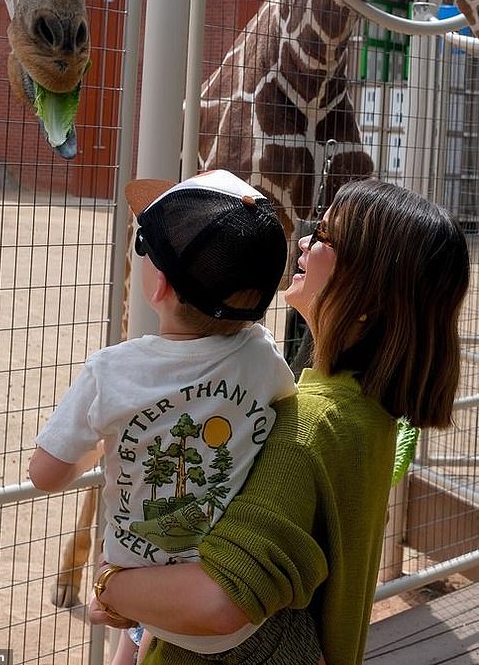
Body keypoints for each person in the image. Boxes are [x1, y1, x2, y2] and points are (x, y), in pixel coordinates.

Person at [88, 179, 470, 665]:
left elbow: (220, 602)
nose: (306, 242)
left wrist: (111, 587)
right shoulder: (366, 412)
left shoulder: (308, 425)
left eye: (327, 236)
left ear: (370, 290)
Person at [28, 169, 313, 665]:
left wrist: (97, 448)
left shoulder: (111, 372)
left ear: (158, 284)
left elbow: (45, 474)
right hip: (224, 584)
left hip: (142, 591)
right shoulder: (264, 360)